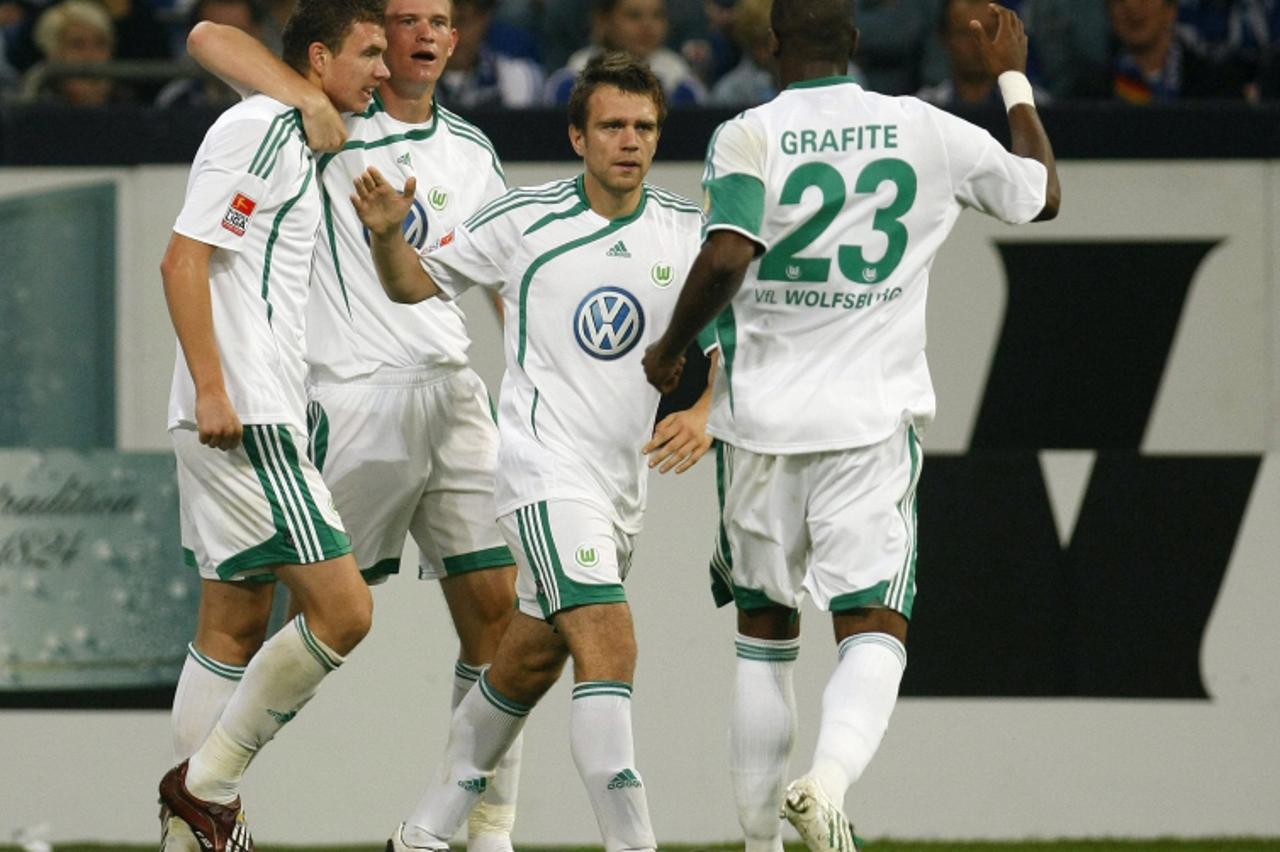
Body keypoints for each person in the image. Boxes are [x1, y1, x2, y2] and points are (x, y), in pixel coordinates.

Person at [642, 2, 1060, 851]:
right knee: (874, 624)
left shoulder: (748, 133)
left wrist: (670, 348)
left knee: (763, 634)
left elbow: (726, 254)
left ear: (770, 46)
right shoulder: (924, 129)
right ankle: (824, 787)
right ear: (858, 46)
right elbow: (1040, 195)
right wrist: (1012, 75)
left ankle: (763, 847)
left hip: (760, 428)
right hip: (869, 426)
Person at [180, 1, 526, 850]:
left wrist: (531, 388)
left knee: (501, 612)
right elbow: (207, 37)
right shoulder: (325, 119)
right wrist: (304, 98)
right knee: (249, 605)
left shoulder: (472, 149)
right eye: (402, 20)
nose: (424, 34)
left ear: (454, 37)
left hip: (453, 392)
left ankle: (478, 830)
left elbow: (505, 278)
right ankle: (199, 807)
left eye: (439, 19)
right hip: (352, 396)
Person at [351, 50, 704, 852]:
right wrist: (384, 238)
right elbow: (414, 284)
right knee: (610, 640)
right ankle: (633, 844)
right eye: (612, 125)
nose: (630, 141)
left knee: (526, 663)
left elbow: (729, 341)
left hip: (619, 489)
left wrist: (707, 412)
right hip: (545, 474)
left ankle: (423, 832)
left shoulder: (685, 232)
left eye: (644, 127)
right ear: (577, 136)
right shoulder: (525, 221)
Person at [154, 2, 388, 851]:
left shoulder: (294, 128)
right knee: (346, 612)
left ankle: (195, 841)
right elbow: (185, 258)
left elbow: (220, 43)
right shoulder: (262, 126)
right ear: (319, 58)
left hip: (239, 408)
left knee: (231, 626)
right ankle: (206, 791)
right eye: (369, 53)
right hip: (244, 414)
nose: (384, 70)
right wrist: (218, 388)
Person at [1073, 0, 1253, 100]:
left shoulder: (1217, 86)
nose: (1132, 6)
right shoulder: (1088, 92)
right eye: (1119, 1)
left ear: (1171, 9)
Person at [543, 0, 705, 105]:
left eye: (657, 15)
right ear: (603, 21)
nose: (647, 25)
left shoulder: (680, 82)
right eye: (634, 16)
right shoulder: (572, 81)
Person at [918, 0, 1049, 107]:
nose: (977, 44)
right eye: (965, 33)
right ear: (945, 38)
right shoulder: (922, 108)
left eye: (988, 32)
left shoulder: (1033, 107)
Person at [157, 0, 266, 108]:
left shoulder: (278, 99)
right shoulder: (177, 99)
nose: (229, 47)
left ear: (258, 33)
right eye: (216, 37)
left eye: (240, 33)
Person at [437, 0, 543, 108]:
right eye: (439, 23)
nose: (450, 34)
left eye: (461, 21)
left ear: (484, 20)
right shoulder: (420, 76)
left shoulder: (516, 76)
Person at [28, 0, 131, 105]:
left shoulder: (132, 107)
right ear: (53, 54)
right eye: (77, 45)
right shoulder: (33, 109)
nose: (91, 55)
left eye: (101, 44)